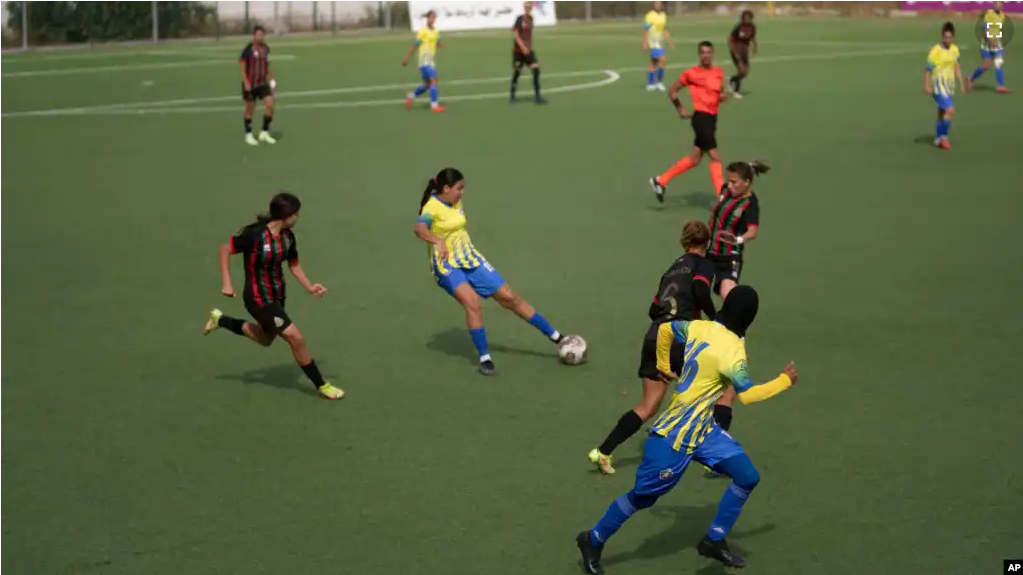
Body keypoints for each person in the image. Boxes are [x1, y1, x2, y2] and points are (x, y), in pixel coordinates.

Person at [576, 286, 798, 573]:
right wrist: (784, 380)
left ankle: (714, 539)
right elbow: (748, 395)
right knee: (642, 497)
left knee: (747, 476)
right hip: (673, 436)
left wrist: (664, 365)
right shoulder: (733, 353)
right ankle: (592, 539)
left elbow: (665, 330)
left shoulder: (699, 326)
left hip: (705, 432)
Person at [587, 221, 716, 475]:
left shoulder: (672, 269)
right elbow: (701, 290)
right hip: (681, 337)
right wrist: (716, 319)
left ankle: (602, 452)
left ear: (684, 240)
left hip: (655, 335)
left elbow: (652, 309)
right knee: (714, 392)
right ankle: (709, 456)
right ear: (707, 242)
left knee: (648, 406)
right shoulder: (703, 264)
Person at [415, 168, 568, 375]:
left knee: (510, 297)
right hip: (447, 266)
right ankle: (485, 358)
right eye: (460, 188)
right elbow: (420, 229)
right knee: (473, 303)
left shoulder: (454, 201)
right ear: (446, 188)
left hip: (471, 258)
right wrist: (437, 241)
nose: (462, 193)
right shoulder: (432, 207)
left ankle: (557, 337)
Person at [202, 193, 344, 401]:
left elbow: (293, 265)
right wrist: (227, 282)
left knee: (265, 338)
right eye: (296, 214)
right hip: (258, 299)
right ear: (286, 215)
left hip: (277, 296)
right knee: (296, 338)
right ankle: (322, 385)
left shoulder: (287, 237)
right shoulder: (255, 235)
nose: (297, 218)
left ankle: (220, 319)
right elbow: (225, 249)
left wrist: (310, 287)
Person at [649, 41, 727, 204]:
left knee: (695, 159)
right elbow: (673, 90)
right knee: (714, 156)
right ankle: (722, 196)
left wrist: (721, 98)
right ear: (699, 55)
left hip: (712, 119)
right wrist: (679, 108)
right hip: (700, 118)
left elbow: (719, 93)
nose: (706, 55)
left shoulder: (719, 73)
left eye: (708, 52)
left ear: (712, 54)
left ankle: (661, 181)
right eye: (703, 52)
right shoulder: (691, 73)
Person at [925, 22, 966, 151]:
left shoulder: (955, 50)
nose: (947, 39)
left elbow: (957, 68)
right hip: (938, 84)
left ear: (953, 38)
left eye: (950, 37)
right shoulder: (935, 51)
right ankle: (943, 137)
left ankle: (938, 137)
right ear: (942, 37)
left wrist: (962, 84)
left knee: (942, 112)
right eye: (945, 37)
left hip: (949, 85)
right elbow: (927, 69)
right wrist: (926, 85)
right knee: (950, 110)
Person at [240, 25, 277, 146]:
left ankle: (264, 132)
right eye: (258, 34)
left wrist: (271, 80)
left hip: (262, 83)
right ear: (254, 35)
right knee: (250, 109)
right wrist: (246, 82)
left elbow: (268, 64)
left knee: (270, 105)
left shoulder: (265, 48)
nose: (260, 37)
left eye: (262, 35)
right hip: (251, 84)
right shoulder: (248, 49)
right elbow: (242, 67)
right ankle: (248, 134)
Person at [402, 10, 446, 113]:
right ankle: (434, 106)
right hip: (424, 60)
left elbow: (437, 43)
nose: (432, 19)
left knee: (428, 84)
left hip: (431, 60)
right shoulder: (422, 31)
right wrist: (407, 58)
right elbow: (415, 45)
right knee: (433, 80)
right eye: (431, 17)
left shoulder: (436, 31)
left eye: (434, 18)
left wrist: (441, 45)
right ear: (427, 18)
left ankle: (410, 96)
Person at [967, 2, 1010, 93]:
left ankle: (1000, 86)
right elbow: (986, 30)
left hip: (996, 43)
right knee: (986, 66)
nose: (998, 6)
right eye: (996, 3)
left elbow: (998, 29)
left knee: (999, 62)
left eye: (1000, 4)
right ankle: (971, 78)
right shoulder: (989, 14)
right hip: (987, 43)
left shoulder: (1002, 16)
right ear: (994, 4)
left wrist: (997, 40)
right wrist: (990, 41)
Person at [511, 1, 547, 104]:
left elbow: (528, 36)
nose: (528, 8)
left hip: (528, 51)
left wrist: (528, 48)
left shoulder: (531, 19)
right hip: (518, 51)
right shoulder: (519, 19)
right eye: (526, 6)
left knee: (536, 70)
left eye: (530, 6)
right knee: (517, 72)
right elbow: (516, 35)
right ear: (524, 7)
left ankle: (538, 96)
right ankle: (512, 95)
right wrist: (522, 47)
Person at [642, 1, 674, 92]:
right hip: (653, 42)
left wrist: (669, 40)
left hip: (660, 42)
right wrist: (644, 43)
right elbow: (645, 30)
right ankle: (659, 82)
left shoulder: (663, 15)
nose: (657, 5)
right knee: (662, 60)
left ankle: (650, 84)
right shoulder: (650, 15)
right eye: (656, 3)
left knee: (653, 63)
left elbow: (664, 29)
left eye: (659, 3)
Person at [727, 10, 757, 98]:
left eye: (748, 18)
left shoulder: (752, 27)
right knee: (741, 70)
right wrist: (734, 52)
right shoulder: (738, 27)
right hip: (736, 50)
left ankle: (731, 79)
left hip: (745, 51)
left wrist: (755, 47)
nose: (747, 19)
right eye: (745, 18)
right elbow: (730, 39)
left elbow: (753, 37)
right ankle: (736, 91)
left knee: (745, 72)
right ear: (742, 18)